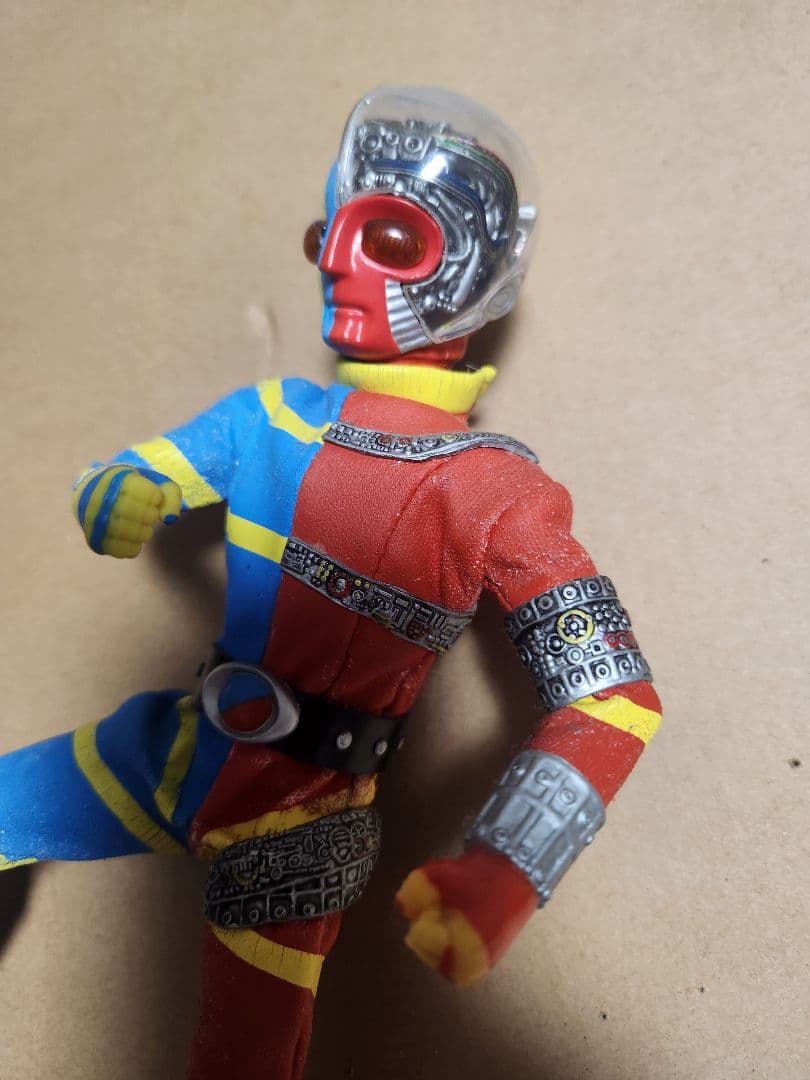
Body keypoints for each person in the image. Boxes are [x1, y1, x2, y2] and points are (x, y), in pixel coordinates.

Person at [0, 86, 662, 1079]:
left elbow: (613, 698)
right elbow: (133, 472)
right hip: (171, 749)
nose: (340, 264)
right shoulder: (270, 414)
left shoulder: (491, 491)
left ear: (473, 266)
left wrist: (508, 867)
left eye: (388, 238)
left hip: (296, 828)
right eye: (329, 235)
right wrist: (118, 494)